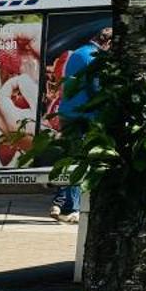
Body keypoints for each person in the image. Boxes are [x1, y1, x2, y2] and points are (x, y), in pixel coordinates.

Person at [49, 25, 111, 222]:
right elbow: (95, 88)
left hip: (68, 112)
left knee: (70, 159)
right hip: (86, 115)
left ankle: (62, 204)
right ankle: (73, 208)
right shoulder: (93, 56)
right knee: (81, 161)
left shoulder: (78, 53)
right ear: (106, 43)